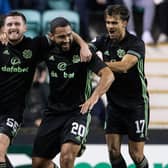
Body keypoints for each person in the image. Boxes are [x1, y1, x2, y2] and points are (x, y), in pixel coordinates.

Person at [0, 11, 92, 168]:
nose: (13, 27)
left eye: (17, 24)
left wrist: (83, 45)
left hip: (11, 113)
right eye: (9, 24)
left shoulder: (36, 45)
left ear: (25, 28)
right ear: (3, 29)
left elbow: (64, 32)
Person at [32, 17, 114, 168]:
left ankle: (77, 142)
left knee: (67, 157)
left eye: (69, 35)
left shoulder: (84, 52)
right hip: (53, 113)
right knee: (38, 164)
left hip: (78, 111)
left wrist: (94, 97)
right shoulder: (46, 48)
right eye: (62, 37)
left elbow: (108, 75)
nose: (67, 40)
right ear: (51, 37)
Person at [90, 4, 150, 168]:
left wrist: (98, 65)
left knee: (136, 154)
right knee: (113, 151)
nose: (110, 26)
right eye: (108, 22)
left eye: (114, 23)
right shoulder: (103, 40)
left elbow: (124, 66)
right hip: (114, 105)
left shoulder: (136, 43)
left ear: (124, 23)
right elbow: (87, 50)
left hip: (136, 105)